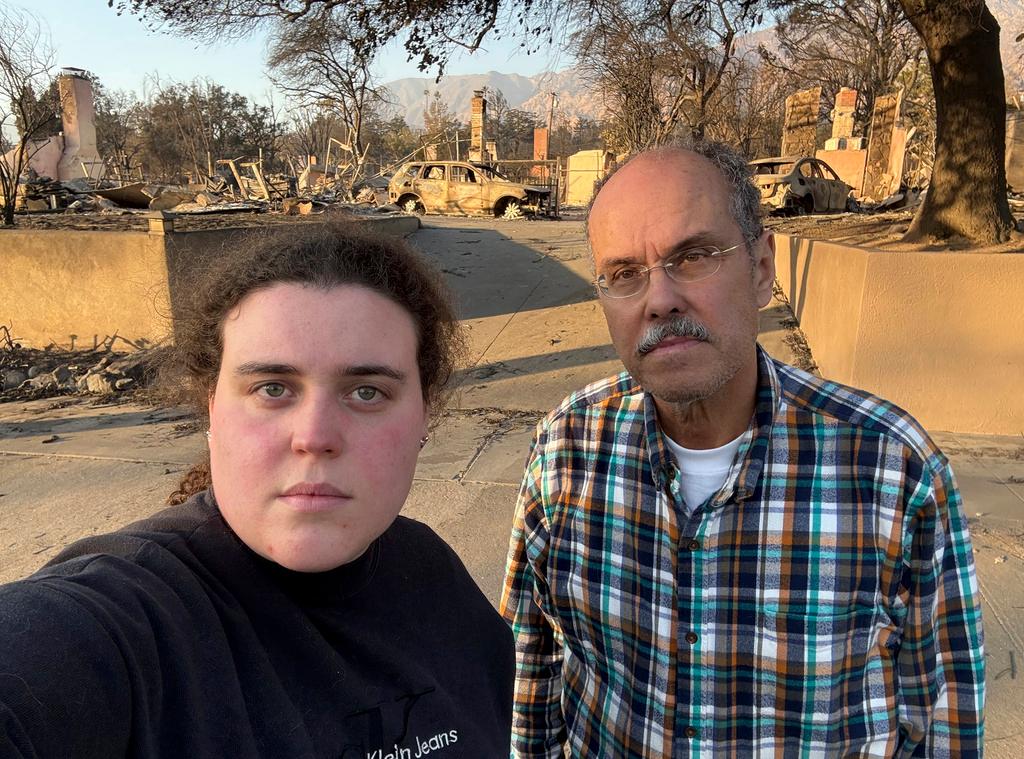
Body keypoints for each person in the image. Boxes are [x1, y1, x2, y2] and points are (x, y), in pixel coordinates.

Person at [500, 141, 984, 757]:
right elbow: (529, 676)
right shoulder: (567, 451)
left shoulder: (890, 469)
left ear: (761, 269)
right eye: (624, 274)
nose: (659, 299)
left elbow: (943, 716)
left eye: (695, 255)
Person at [0, 223, 514, 758]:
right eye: (272, 389)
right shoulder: (124, 622)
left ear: (424, 414)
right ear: (212, 408)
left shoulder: (432, 573)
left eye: (367, 391)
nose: (314, 437)